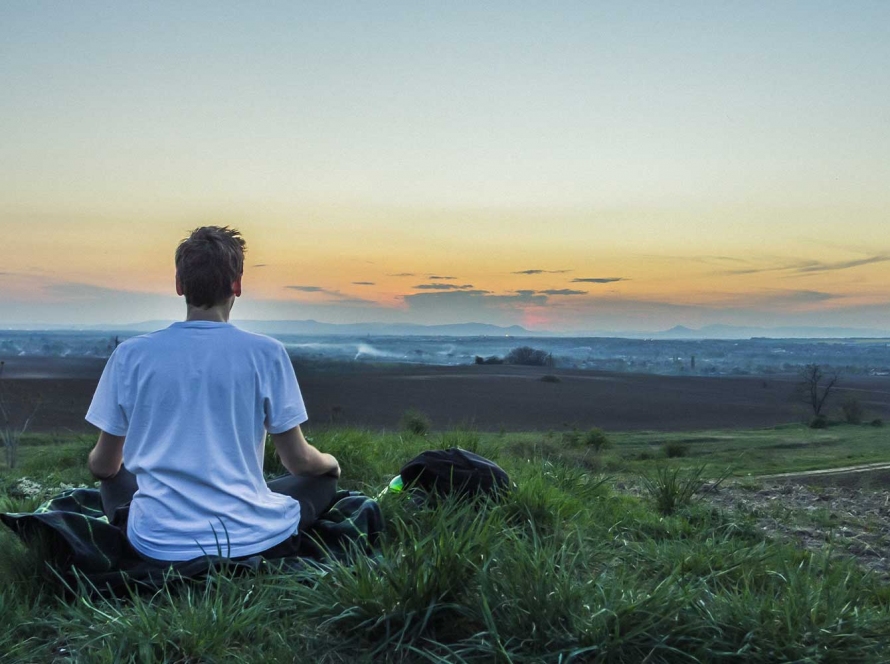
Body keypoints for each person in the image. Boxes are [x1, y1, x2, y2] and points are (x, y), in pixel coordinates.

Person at [85, 226, 340, 562]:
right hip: (250, 538)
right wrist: (331, 464)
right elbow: (298, 462)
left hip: (157, 543)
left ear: (179, 285)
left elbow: (103, 466)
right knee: (320, 482)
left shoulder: (130, 355)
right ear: (237, 284)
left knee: (115, 477)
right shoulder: (266, 353)